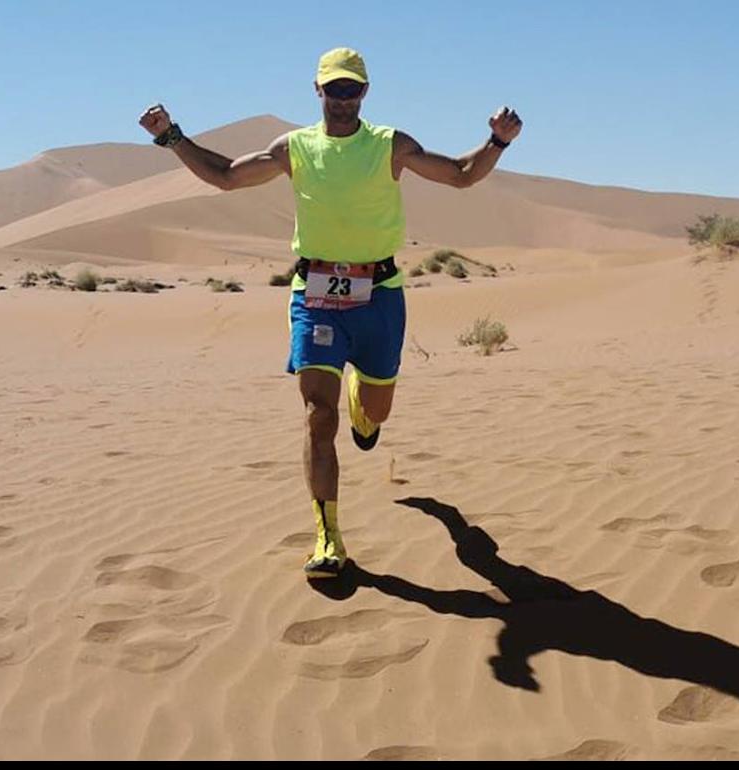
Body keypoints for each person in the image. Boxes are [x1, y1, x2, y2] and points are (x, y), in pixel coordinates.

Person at [139, 47, 522, 578]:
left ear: (364, 92)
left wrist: (497, 142)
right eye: (334, 88)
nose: (343, 99)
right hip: (314, 292)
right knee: (319, 416)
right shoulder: (294, 148)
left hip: (379, 294)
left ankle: (366, 408)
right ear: (316, 90)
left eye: (352, 89)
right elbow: (226, 175)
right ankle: (328, 537)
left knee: (376, 410)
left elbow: (460, 174)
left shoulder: (390, 145)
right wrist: (172, 137)